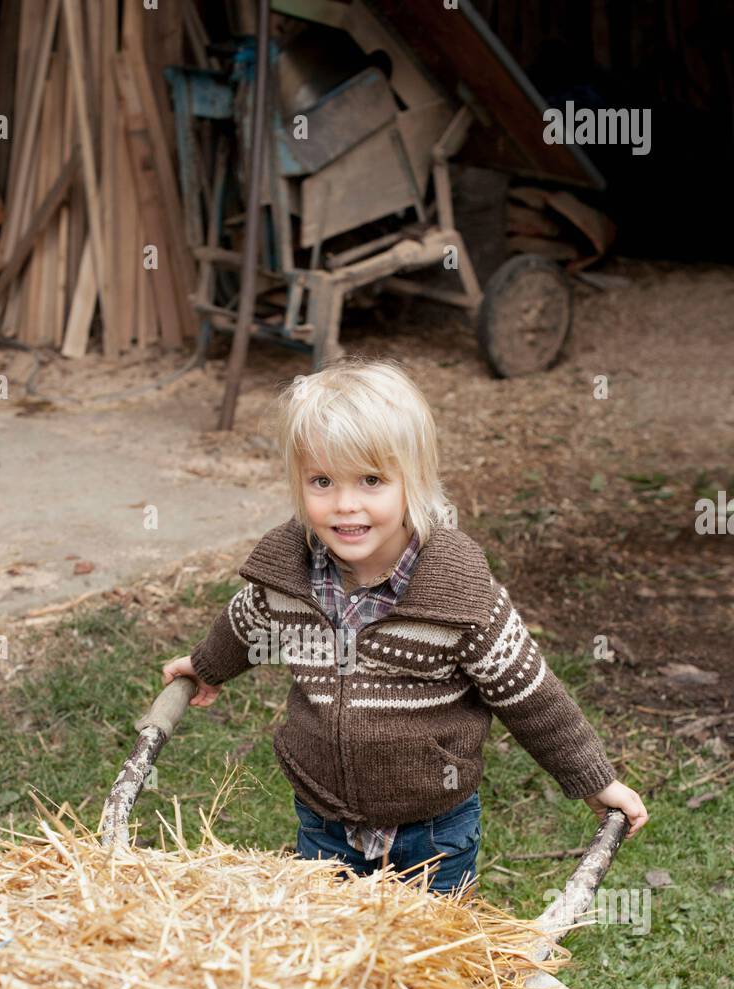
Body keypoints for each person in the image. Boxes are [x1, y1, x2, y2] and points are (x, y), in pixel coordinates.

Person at [162, 357, 647, 896]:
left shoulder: (459, 595)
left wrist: (594, 781)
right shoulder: (287, 574)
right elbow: (246, 623)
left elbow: (531, 696)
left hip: (433, 828)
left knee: (430, 961)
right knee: (331, 948)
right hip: (326, 818)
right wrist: (205, 666)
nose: (346, 505)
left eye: (371, 480)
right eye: (322, 481)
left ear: (412, 481)